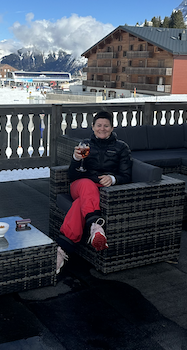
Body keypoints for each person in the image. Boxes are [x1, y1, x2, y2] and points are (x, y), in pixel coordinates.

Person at [56, 110, 131, 274]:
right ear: (93, 127)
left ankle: (62, 249)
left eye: (106, 126)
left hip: (100, 191)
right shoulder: (85, 145)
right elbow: (72, 175)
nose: (102, 129)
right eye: (99, 125)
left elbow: (126, 175)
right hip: (79, 185)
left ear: (112, 128)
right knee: (87, 184)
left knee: (79, 204)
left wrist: (113, 179)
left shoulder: (121, 147)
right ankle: (96, 226)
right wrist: (76, 159)